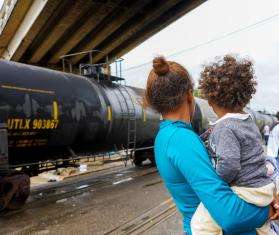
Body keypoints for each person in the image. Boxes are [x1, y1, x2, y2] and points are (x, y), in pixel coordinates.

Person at [144, 56, 278, 235]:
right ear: (189, 95)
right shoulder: (181, 139)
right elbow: (229, 216)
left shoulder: (167, 135)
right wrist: (269, 210)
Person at [191, 55, 276, 235]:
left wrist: (215, 182)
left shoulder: (224, 127)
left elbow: (229, 164)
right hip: (263, 189)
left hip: (247, 190)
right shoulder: (248, 120)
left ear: (211, 100)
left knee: (199, 224)